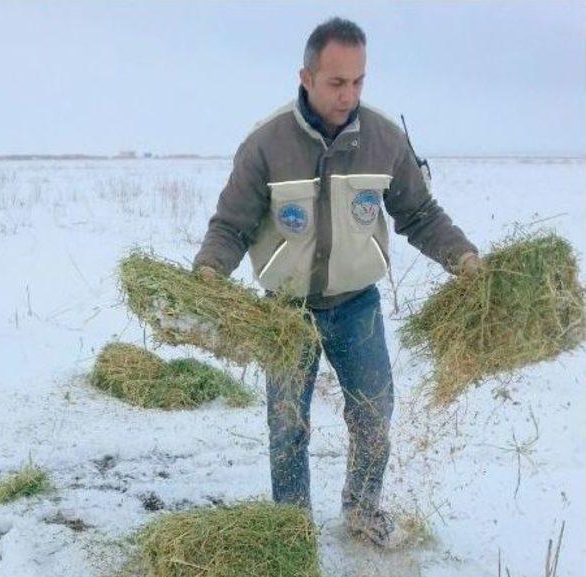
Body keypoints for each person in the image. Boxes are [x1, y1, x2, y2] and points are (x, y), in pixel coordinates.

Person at [193, 17, 481, 547]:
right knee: (287, 429)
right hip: (285, 313)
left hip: (356, 306)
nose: (348, 95)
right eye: (336, 82)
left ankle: (363, 509)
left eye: (358, 81)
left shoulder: (383, 140)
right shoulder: (265, 144)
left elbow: (419, 214)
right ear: (305, 76)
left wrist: (463, 258)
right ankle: (292, 530)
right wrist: (208, 272)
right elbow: (230, 226)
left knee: (374, 415)